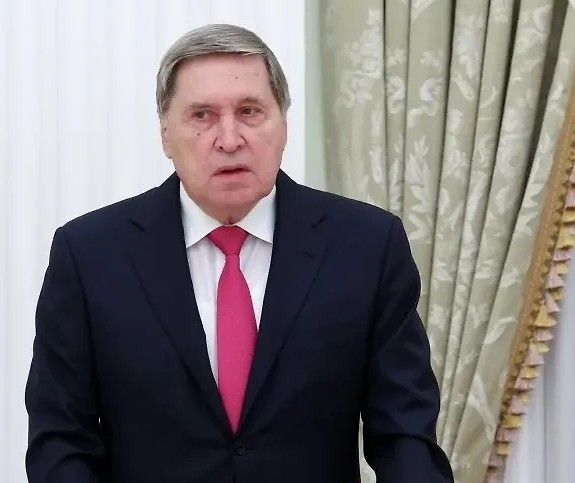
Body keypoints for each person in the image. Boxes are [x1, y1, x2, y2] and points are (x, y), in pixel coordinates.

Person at [25, 23, 454, 483]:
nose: (229, 139)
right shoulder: (90, 256)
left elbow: (406, 434)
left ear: (283, 125)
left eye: (250, 111)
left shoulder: (367, 246)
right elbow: (61, 441)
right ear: (165, 134)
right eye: (202, 115)